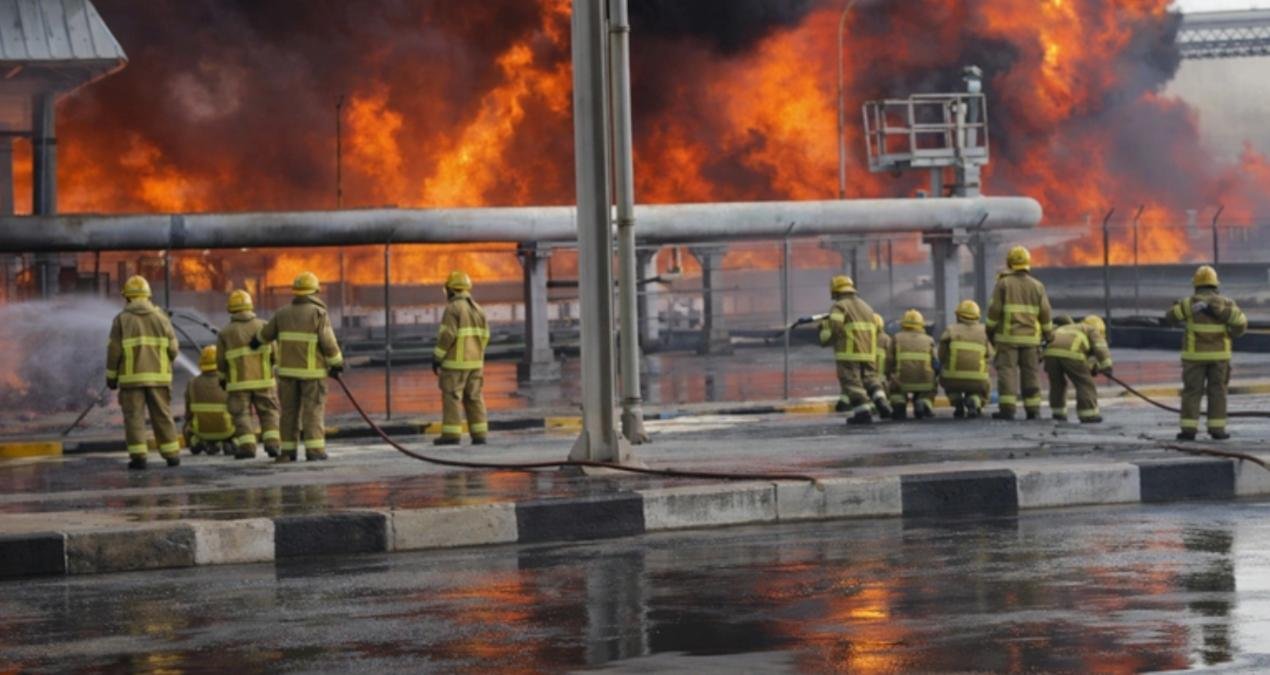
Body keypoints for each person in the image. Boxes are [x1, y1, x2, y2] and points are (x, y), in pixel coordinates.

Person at [255, 272, 343, 462]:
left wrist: (255, 341)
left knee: (288, 413)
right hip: (312, 374)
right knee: (313, 412)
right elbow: (328, 343)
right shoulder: (318, 313)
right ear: (315, 291)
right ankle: (315, 451)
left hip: (287, 374)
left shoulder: (282, 313)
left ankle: (287, 451)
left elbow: (264, 336)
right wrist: (337, 363)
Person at [106, 275, 182, 470]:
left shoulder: (121, 320)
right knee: (163, 416)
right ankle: (172, 454)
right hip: (160, 378)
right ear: (148, 295)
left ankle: (139, 456)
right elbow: (174, 349)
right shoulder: (161, 317)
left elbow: (114, 351)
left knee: (134, 418)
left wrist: (112, 377)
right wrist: (165, 364)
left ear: (128, 297)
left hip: (132, 379)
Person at [1165, 265, 1248, 440]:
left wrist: (1186, 309)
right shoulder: (1226, 303)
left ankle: (1188, 430)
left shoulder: (1189, 303)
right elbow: (1241, 324)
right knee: (1218, 392)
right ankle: (1217, 430)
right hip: (1220, 358)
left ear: (1196, 285)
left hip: (1194, 358)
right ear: (1215, 285)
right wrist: (1230, 331)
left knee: (1192, 392)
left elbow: (1170, 318)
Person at [987, 245, 1053, 420]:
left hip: (1007, 338)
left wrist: (990, 329)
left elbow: (994, 310)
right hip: (1031, 340)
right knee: (1031, 373)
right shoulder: (1037, 286)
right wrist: (1048, 335)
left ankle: (1007, 410)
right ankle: (1033, 410)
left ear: (1009, 263)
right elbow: (1045, 313)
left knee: (1007, 372)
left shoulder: (1003, 283)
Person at [217, 289, 281, 460]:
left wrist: (223, 380)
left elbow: (221, 362)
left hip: (238, 384)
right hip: (264, 381)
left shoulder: (225, 333)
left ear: (230, 308)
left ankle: (247, 447)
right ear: (250, 305)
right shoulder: (263, 326)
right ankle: (273, 444)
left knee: (241, 414)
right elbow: (275, 354)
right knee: (269, 412)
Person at [819, 275, 891, 424]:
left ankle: (863, 412)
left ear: (835, 290)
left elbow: (836, 328)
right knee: (871, 379)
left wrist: (825, 332)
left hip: (848, 353)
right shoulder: (867, 307)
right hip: (868, 352)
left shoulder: (839, 306)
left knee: (852, 383)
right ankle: (881, 401)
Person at [432, 270, 491, 445]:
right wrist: (476, 353)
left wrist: (437, 357)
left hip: (455, 364)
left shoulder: (453, 308)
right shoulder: (478, 308)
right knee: (474, 397)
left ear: (451, 289)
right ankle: (480, 435)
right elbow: (486, 336)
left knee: (452, 396)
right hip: (475, 363)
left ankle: (451, 435)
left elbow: (447, 335)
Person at [1044, 315, 1113, 423]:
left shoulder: (1072, 328)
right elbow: (1100, 348)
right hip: (1071, 352)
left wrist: (1093, 368)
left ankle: (1058, 414)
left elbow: (1085, 359)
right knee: (1084, 383)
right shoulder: (1092, 330)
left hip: (1050, 353)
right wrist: (1107, 366)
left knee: (1057, 384)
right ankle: (1088, 415)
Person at [939, 300, 994, 419]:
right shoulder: (984, 331)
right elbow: (989, 355)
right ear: (977, 316)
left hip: (952, 377)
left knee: (948, 383)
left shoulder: (950, 330)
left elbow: (941, 355)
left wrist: (945, 364)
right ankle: (975, 400)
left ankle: (957, 402)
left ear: (958, 316)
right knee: (982, 387)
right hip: (977, 379)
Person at [184, 345, 235, 454]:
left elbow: (188, 413)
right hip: (227, 431)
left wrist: (189, 424)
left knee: (187, 426)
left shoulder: (192, 383)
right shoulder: (229, 381)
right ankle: (230, 442)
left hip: (201, 432)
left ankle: (197, 442)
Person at [888, 309, 937, 420]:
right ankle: (923, 402)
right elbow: (935, 362)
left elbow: (889, 360)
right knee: (929, 390)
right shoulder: (929, 340)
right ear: (921, 325)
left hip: (901, 381)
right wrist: (935, 375)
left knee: (895, 391)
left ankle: (899, 403)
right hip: (924, 380)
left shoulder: (896, 338)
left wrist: (888, 375)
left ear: (903, 324)